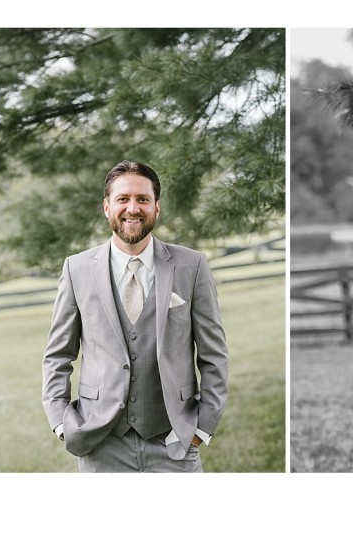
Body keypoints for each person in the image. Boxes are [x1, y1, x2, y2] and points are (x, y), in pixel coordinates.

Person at [42, 160, 229, 472]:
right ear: (107, 207)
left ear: (157, 207)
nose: (133, 208)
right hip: (100, 443)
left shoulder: (192, 266)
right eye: (122, 199)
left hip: (174, 440)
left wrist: (202, 426)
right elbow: (58, 355)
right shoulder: (77, 269)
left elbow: (214, 354)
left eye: (142, 199)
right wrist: (61, 422)